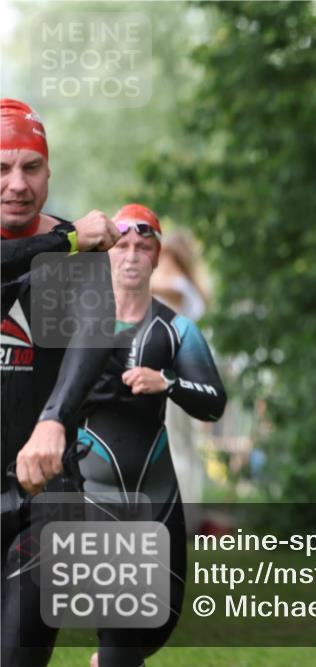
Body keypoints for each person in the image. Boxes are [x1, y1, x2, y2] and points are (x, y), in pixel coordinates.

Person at [6, 203, 227, 667]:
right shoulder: (68, 319)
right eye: (121, 245)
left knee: (148, 630)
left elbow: (214, 401)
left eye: (143, 246)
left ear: (157, 255)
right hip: (85, 486)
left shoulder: (174, 327)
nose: (130, 256)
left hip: (150, 482)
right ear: (104, 253)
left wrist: (166, 383)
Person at [2, 98, 121, 665]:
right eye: (2, 168)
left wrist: (53, 420)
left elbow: (94, 336)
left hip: (43, 491)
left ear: (49, 172)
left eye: (32, 167)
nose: (18, 184)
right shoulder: (71, 243)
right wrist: (66, 239)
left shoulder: (80, 258)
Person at [151, 228, 211, 531]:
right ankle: (186, 517)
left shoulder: (177, 289)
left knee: (175, 446)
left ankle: (181, 518)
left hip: (175, 374)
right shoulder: (192, 290)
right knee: (183, 446)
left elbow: (153, 288)